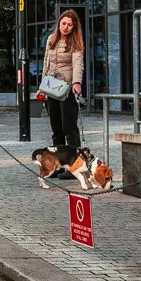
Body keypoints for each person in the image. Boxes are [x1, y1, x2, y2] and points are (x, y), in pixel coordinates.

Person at [42, 10, 86, 178]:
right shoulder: (51, 40)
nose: (66, 27)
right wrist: (42, 87)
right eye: (63, 24)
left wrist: (76, 83)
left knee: (69, 128)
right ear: (59, 23)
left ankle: (74, 165)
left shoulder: (75, 42)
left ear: (73, 27)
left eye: (69, 25)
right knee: (56, 129)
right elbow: (46, 63)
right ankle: (58, 165)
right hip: (51, 87)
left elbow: (77, 63)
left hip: (67, 88)